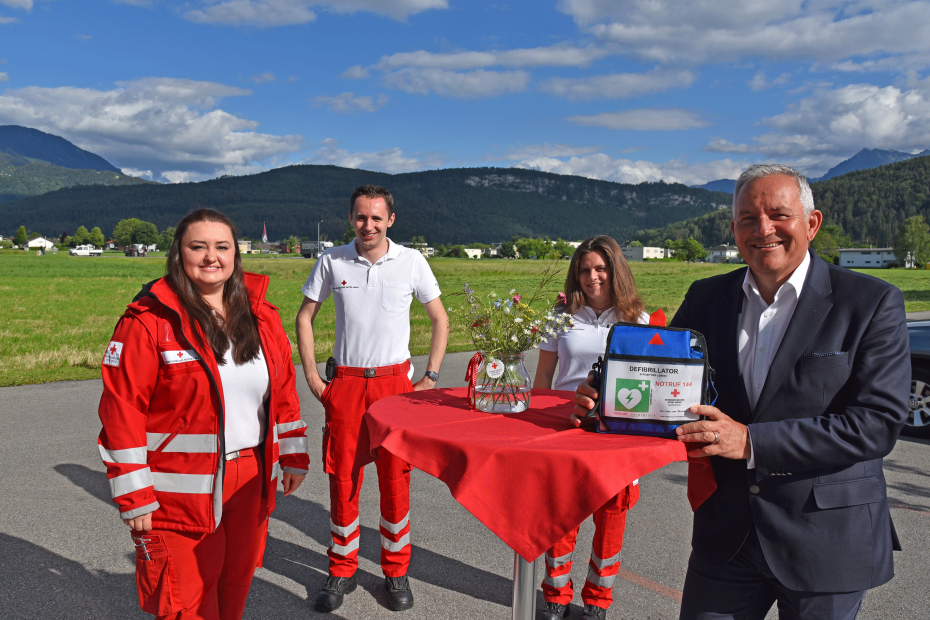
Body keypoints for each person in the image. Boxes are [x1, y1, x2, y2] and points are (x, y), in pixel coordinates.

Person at [575, 164, 910, 620]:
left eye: (778, 215)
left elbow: (877, 424)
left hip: (827, 539)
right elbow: (661, 380)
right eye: (748, 219)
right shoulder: (707, 297)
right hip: (727, 536)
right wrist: (605, 400)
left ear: (811, 224)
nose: (763, 229)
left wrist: (751, 442)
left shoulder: (871, 302)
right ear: (734, 230)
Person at [97, 208, 309, 620]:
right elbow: (121, 411)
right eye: (198, 246)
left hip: (250, 479)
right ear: (179, 253)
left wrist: (294, 454)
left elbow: (282, 390)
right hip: (178, 488)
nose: (211, 257)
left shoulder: (262, 315)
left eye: (222, 247)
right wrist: (134, 495)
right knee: (187, 602)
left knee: (235, 587)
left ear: (235, 256)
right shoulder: (149, 321)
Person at [296, 184, 449, 613]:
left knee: (395, 480)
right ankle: (341, 569)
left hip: (394, 386)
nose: (368, 225)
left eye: (376, 218)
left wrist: (431, 376)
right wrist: (311, 374)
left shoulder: (412, 261)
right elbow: (305, 316)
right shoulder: (332, 260)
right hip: (344, 384)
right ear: (351, 218)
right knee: (342, 480)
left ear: (390, 221)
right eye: (361, 217)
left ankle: (395, 569)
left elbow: (440, 319)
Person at [533, 235, 650, 620]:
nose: (592, 277)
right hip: (566, 428)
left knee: (611, 518)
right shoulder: (560, 315)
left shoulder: (638, 319)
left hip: (617, 432)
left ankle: (597, 601)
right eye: (584, 269)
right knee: (561, 516)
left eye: (600, 268)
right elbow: (544, 378)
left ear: (616, 271)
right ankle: (556, 593)